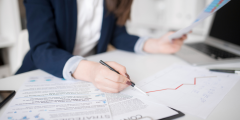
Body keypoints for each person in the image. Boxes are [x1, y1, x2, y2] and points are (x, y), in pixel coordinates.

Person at [16, 0, 188, 93]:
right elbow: (41, 49)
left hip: (87, 83)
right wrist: (92, 71)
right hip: (40, 74)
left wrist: (155, 44)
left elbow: (117, 34)